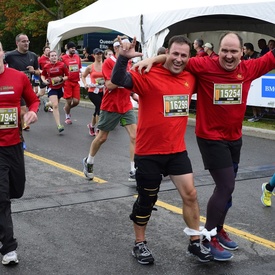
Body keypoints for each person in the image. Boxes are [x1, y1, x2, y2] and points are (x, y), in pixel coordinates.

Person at [133, 31, 275, 261]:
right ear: (218, 51)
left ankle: (218, 229)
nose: (228, 56)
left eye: (234, 52)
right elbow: (177, 58)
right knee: (226, 185)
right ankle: (208, 237)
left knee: (228, 189)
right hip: (210, 137)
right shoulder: (204, 65)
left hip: (234, 138)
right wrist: (153, 59)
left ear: (242, 53)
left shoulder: (250, 68)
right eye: (225, 51)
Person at [111, 35, 214, 265]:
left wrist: (157, 57)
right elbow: (118, 78)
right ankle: (140, 244)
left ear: (189, 57)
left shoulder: (191, 77)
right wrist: (122, 58)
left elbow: (212, 65)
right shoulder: (148, 73)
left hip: (177, 151)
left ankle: (195, 241)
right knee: (147, 199)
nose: (178, 59)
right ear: (168, 52)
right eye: (174, 54)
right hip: (148, 152)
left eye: (183, 55)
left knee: (191, 194)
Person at [0, 41, 40, 265]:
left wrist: (33, 112)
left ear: (2, 53)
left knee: (17, 189)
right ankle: (8, 248)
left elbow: (34, 100)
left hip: (14, 144)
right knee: (2, 199)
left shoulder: (17, 77)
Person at [82, 36, 137, 182]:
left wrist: (133, 93)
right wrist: (124, 79)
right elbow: (110, 85)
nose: (125, 48)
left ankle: (133, 169)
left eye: (127, 46)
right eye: (122, 46)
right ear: (116, 48)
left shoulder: (129, 61)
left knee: (134, 136)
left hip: (126, 105)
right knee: (102, 138)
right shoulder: (108, 63)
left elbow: (129, 82)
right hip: (111, 106)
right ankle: (89, 162)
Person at [4, 33, 40, 131]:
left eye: (27, 41)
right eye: (23, 41)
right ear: (17, 43)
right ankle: (19, 127)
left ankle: (19, 126)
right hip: (14, 87)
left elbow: (38, 72)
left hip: (27, 87)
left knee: (25, 109)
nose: (26, 43)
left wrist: (34, 72)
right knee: (22, 110)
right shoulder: (9, 55)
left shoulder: (32, 55)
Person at [41, 50, 69, 133]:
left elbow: (67, 76)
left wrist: (61, 79)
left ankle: (47, 104)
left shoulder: (62, 65)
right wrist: (44, 81)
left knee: (54, 103)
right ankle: (59, 125)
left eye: (55, 55)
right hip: (51, 87)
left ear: (57, 56)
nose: (54, 57)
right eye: (52, 56)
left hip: (60, 88)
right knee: (55, 105)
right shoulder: (46, 66)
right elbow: (43, 74)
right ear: (49, 58)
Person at [81, 48, 104, 136]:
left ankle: (91, 125)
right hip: (93, 91)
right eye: (97, 54)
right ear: (94, 55)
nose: (99, 56)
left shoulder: (105, 65)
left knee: (97, 109)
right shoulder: (90, 67)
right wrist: (85, 84)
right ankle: (98, 128)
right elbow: (83, 76)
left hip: (102, 90)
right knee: (100, 107)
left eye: (100, 54)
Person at [60, 41, 82, 125]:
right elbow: (61, 68)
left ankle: (66, 108)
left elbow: (79, 67)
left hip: (76, 81)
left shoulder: (77, 57)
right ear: (68, 49)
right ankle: (67, 116)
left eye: (74, 48)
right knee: (68, 101)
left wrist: (80, 72)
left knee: (76, 102)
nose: (74, 49)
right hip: (67, 82)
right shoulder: (63, 57)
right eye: (72, 48)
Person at [243, 43, 263, 122]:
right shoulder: (245, 57)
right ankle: (255, 115)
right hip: (250, 80)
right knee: (251, 98)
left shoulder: (258, 55)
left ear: (248, 50)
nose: (243, 51)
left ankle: (259, 114)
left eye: (244, 49)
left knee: (256, 98)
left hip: (258, 81)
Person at [37, 46, 53, 112]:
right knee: (42, 93)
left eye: (49, 50)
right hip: (43, 77)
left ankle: (49, 106)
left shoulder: (51, 58)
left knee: (51, 92)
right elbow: (37, 68)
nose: (48, 51)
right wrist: (42, 72)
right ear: (44, 51)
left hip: (50, 78)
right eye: (47, 50)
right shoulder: (41, 59)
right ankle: (34, 98)